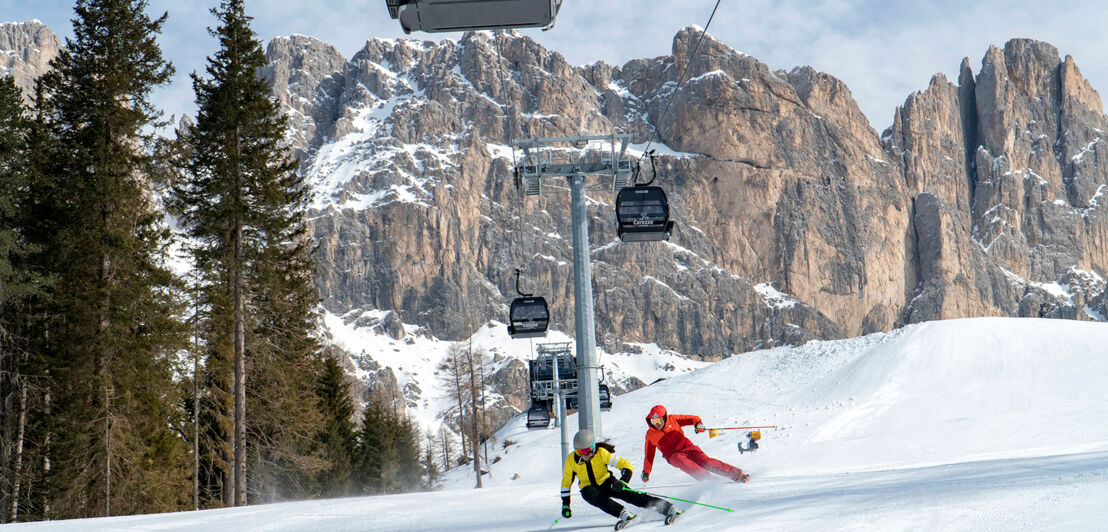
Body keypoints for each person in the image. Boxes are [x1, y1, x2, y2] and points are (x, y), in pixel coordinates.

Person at [560, 429, 678, 529]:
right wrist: (566, 504)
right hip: (588, 489)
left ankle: (667, 508)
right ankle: (622, 513)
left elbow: (626, 465)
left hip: (607, 482)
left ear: (593, 447)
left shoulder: (601, 453)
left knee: (631, 495)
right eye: (579, 451)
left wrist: (623, 481)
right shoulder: (571, 460)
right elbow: (566, 482)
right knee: (597, 497)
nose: (583, 454)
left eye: (586, 450)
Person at [640, 404, 748, 483]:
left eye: (659, 421)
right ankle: (711, 482)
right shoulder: (650, 435)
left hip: (686, 446)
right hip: (673, 455)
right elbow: (649, 456)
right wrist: (646, 472)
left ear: (665, 417)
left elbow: (693, 419)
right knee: (685, 463)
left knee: (706, 462)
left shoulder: (673, 419)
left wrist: (698, 424)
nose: (657, 424)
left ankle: (737, 474)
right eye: (654, 422)